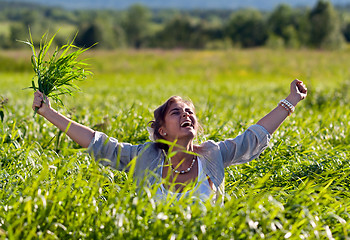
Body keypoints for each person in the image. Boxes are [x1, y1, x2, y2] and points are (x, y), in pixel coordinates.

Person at [32, 79, 307, 204]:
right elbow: (98, 142)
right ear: (162, 130)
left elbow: (253, 137)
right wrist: (48, 112)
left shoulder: (212, 154)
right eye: (176, 112)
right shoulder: (145, 157)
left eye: (190, 112)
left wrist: (291, 101)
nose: (186, 114)